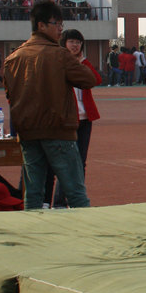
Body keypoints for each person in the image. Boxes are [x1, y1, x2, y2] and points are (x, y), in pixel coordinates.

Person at [4, 0, 99, 210]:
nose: (59, 30)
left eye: (61, 25)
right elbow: (89, 79)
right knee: (75, 193)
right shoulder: (59, 55)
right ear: (41, 25)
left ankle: (35, 236)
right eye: (56, 24)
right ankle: (89, 236)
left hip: (28, 132)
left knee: (33, 193)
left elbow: (10, 95)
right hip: (58, 130)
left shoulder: (13, 58)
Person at [47, 28, 102, 207]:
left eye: (78, 42)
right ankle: (60, 201)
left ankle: (76, 198)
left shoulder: (83, 64)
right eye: (72, 42)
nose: (75, 45)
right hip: (68, 120)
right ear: (64, 43)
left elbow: (96, 79)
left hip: (85, 118)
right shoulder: (59, 62)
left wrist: (82, 62)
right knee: (66, 162)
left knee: (81, 162)